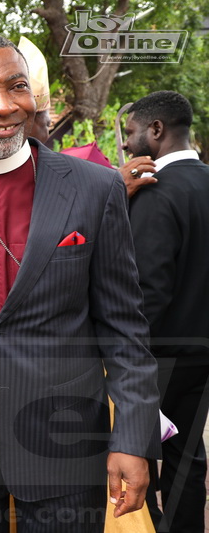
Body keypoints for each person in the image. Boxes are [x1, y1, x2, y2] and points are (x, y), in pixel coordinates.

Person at [0, 35, 160, 532]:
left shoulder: (94, 188)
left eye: (17, 87)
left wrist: (131, 437)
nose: (4, 106)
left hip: (65, 443)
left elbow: (125, 328)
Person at [123, 90, 209, 533]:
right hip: (200, 353)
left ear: (156, 130)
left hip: (159, 358)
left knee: (140, 462)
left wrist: (126, 359)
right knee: (187, 458)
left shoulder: (156, 194)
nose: (125, 145)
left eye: (130, 133)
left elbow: (147, 292)